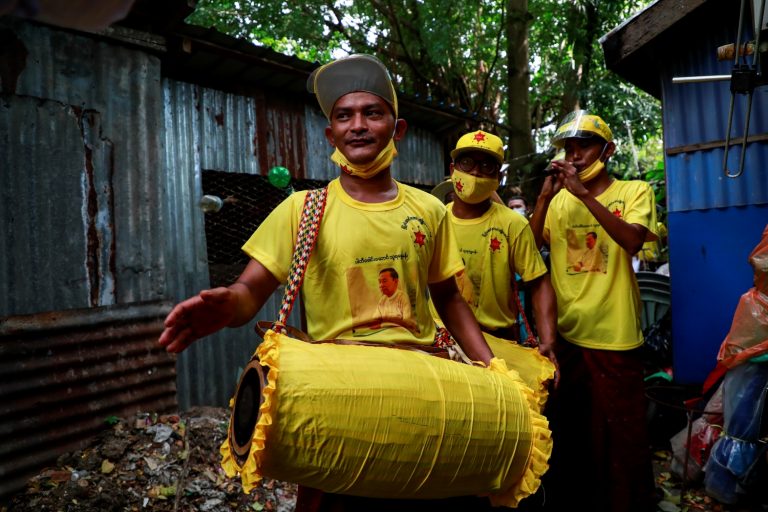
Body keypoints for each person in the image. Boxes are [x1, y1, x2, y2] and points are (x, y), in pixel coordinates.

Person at [158, 53, 495, 511]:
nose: (357, 125)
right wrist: (229, 306)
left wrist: (491, 368)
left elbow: (449, 298)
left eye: (372, 113)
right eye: (344, 116)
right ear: (330, 134)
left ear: (397, 130)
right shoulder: (303, 210)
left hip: (423, 394)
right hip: (341, 400)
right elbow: (250, 292)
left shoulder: (430, 211)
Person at [528, 110, 658, 512]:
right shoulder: (560, 200)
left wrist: (584, 196)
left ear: (608, 150)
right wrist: (546, 197)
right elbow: (529, 252)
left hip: (615, 333)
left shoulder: (633, 191)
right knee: (570, 428)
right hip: (566, 333)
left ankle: (628, 502)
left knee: (623, 433)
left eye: (583, 145)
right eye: (569, 147)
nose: (575, 155)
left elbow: (634, 241)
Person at [443, 129, 558, 372]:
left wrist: (547, 341)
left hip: (498, 340)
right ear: (453, 170)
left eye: (487, 166)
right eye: (467, 163)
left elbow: (538, 282)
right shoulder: (434, 219)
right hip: (442, 340)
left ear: (498, 177)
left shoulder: (512, 224)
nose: (475, 172)